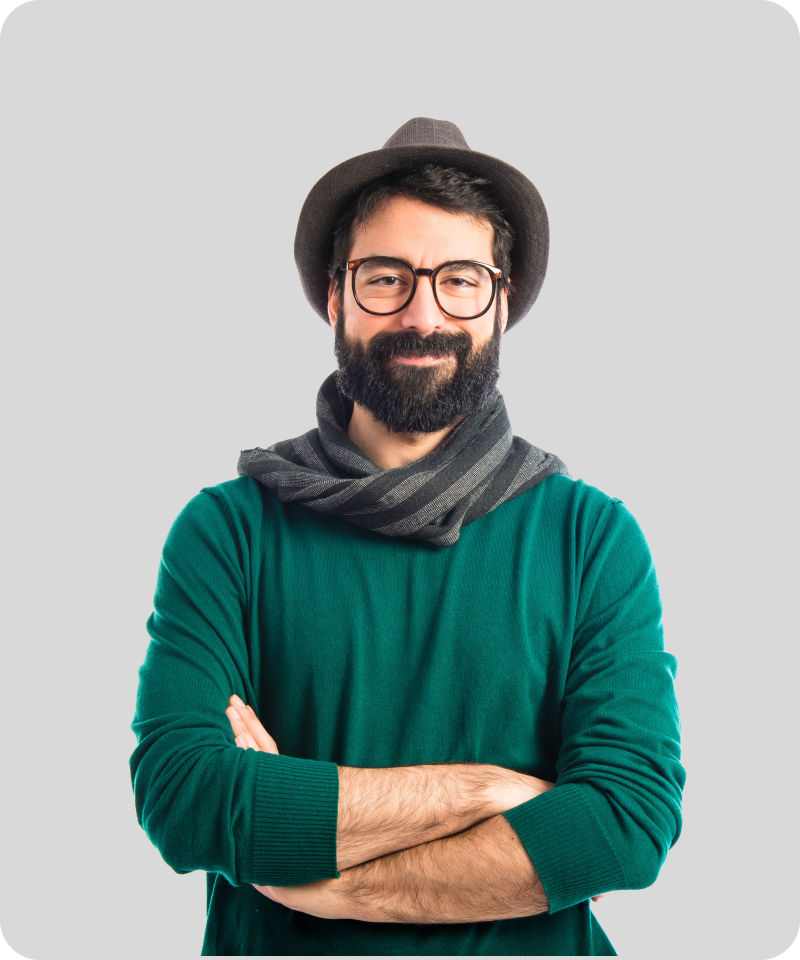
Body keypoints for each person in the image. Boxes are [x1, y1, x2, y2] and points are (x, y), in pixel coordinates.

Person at [130, 117, 685, 956]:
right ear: (335, 295)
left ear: (501, 301)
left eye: (459, 280)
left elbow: (625, 821)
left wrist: (338, 885)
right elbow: (185, 798)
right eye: (386, 277)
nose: (423, 314)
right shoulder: (229, 530)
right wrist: (480, 790)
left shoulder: (589, 538)